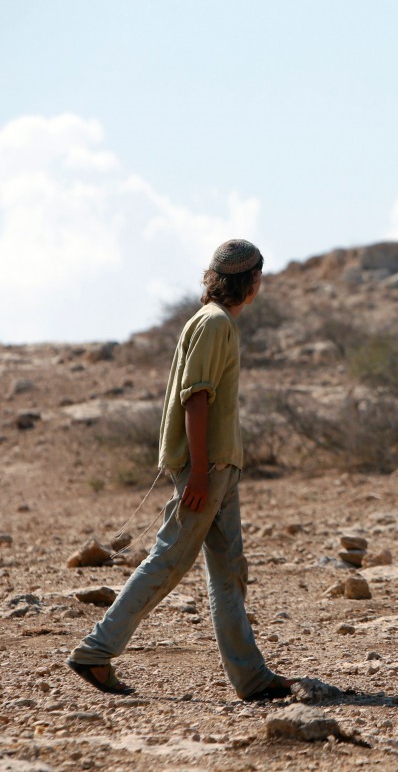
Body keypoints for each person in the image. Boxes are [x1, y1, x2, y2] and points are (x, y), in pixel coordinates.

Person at [68, 239, 295, 701]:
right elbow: (196, 398)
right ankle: (96, 651)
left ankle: (251, 678)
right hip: (207, 469)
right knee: (169, 560)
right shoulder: (215, 325)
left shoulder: (214, 321)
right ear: (249, 282)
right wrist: (197, 472)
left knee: (229, 570)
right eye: (259, 277)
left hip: (220, 467)